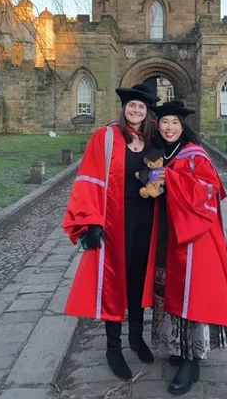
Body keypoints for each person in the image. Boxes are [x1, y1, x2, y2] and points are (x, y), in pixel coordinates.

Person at [62, 83, 160, 380]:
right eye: (132, 105)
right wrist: (91, 221)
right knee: (113, 281)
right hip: (115, 219)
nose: (136, 110)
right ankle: (113, 347)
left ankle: (135, 337)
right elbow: (89, 178)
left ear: (146, 112)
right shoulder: (104, 137)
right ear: (124, 107)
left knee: (139, 278)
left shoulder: (152, 137)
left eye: (141, 107)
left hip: (147, 218)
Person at [142, 99, 227, 396]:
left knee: (189, 292)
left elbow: (210, 192)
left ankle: (191, 360)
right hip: (166, 234)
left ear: (183, 127)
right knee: (167, 286)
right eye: (165, 123)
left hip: (194, 237)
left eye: (175, 123)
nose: (169, 128)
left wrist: (170, 179)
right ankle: (176, 346)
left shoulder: (195, 155)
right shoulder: (159, 153)